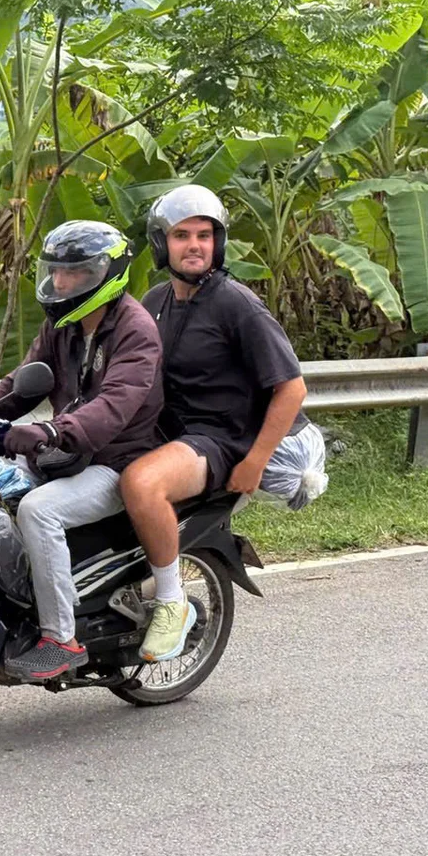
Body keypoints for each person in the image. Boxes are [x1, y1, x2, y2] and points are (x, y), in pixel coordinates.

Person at [121, 184, 311, 662]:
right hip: (171, 432)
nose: (195, 245)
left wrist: (255, 461)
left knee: (142, 485)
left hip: (220, 440)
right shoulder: (155, 301)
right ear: (162, 244)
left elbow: (292, 388)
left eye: (205, 235)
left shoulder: (237, 304)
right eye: (182, 235)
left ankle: (170, 603)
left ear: (218, 242)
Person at [0, 220, 165, 680]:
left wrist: (51, 432)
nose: (60, 282)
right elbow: (19, 385)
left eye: (74, 273)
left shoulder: (136, 331)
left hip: (116, 462)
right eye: (56, 271)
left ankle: (61, 637)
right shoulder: (63, 324)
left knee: (38, 511)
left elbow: (112, 407)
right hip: (67, 453)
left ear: (106, 273)